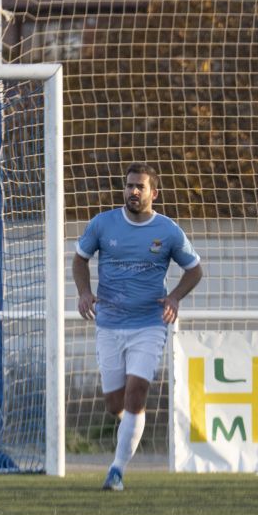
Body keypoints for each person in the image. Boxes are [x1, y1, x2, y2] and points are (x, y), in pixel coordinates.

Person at [72, 162, 203, 491]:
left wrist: (173, 297)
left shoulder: (169, 231)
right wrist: (85, 292)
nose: (132, 191)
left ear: (153, 193)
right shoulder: (103, 224)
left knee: (136, 394)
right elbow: (79, 259)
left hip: (149, 324)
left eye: (139, 187)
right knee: (116, 404)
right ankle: (132, 425)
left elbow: (195, 270)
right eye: (129, 186)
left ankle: (116, 470)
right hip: (109, 324)